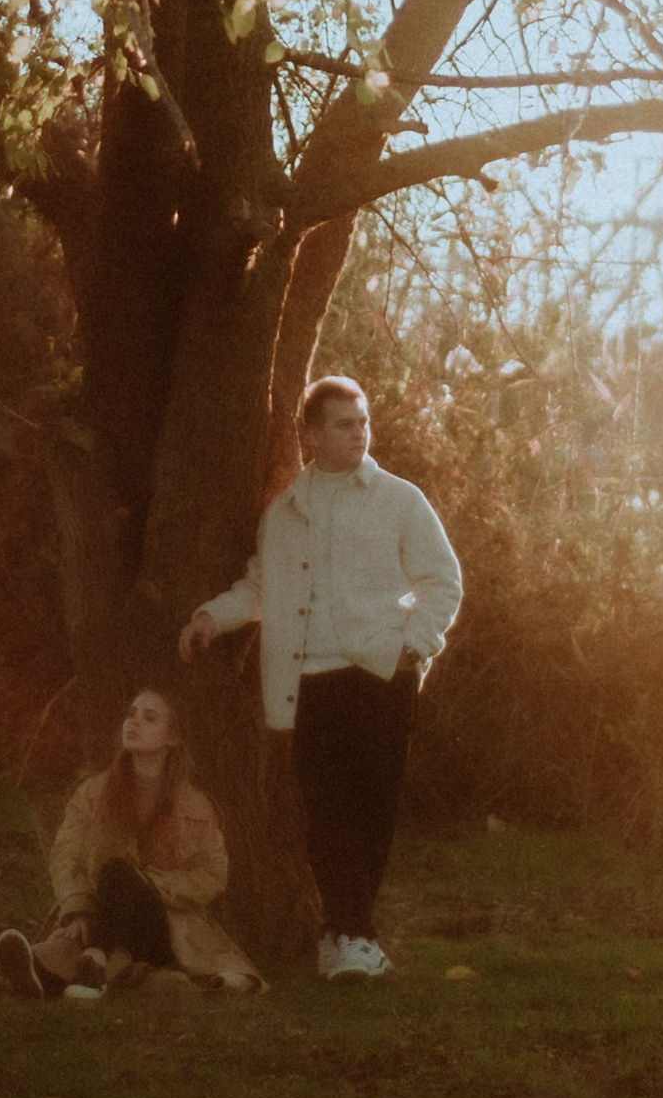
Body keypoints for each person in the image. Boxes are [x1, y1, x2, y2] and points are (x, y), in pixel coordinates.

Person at [180, 376, 461, 982]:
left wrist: (415, 646)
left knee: (372, 810)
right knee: (326, 814)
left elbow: (443, 579)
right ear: (310, 436)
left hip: (380, 674)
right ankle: (347, 936)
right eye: (343, 423)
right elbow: (260, 588)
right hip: (308, 682)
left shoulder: (400, 499)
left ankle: (353, 936)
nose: (359, 432)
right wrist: (211, 616)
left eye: (363, 422)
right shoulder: (285, 512)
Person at [0, 684, 262, 1001]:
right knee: (80, 929)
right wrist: (78, 907)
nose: (133, 723)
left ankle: (89, 958)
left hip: (163, 924)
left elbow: (212, 875)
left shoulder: (195, 806)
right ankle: (63, 974)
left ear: (172, 739)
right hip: (101, 913)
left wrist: (148, 883)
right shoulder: (93, 793)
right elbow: (66, 855)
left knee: (118, 874)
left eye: (149, 718)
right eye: (131, 714)